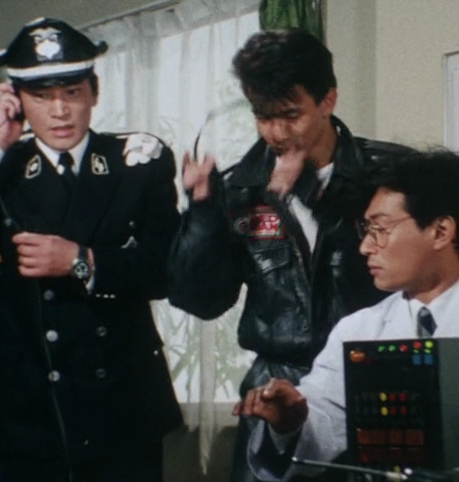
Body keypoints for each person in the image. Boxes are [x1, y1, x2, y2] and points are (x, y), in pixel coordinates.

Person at [0, 17, 182, 482]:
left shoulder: (138, 161)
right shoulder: (3, 165)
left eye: (72, 93)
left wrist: (81, 261)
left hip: (121, 406)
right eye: (41, 97)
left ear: (94, 92)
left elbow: (165, 272)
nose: (60, 111)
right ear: (17, 100)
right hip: (31, 411)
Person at [167, 28, 408, 482]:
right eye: (263, 116)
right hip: (276, 386)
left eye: (291, 115)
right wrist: (202, 214)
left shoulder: (391, 173)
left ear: (328, 100)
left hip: (376, 382)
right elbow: (201, 300)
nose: (276, 133)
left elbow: (422, 276)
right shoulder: (239, 187)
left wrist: (310, 193)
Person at [237, 148, 459, 481]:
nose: (365, 247)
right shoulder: (359, 329)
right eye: (365, 229)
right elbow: (322, 424)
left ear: (441, 231)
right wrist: (289, 421)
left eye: (380, 229)